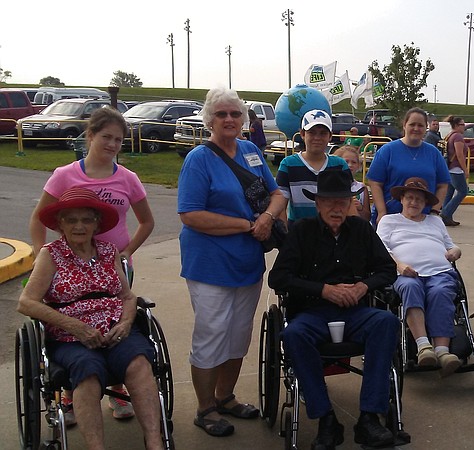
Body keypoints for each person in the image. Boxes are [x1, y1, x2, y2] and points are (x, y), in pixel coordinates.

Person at [28, 106, 155, 423]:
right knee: (74, 318)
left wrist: (126, 252)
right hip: (70, 262)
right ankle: (71, 394)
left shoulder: (127, 178)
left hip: (111, 263)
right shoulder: (65, 175)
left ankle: (118, 391)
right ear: (90, 135)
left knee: (111, 320)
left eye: (118, 139)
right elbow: (38, 217)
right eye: (106, 137)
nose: (112, 144)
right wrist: (38, 252)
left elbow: (146, 222)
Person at [18, 187, 164, 450]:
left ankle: (155, 444)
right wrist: (77, 327)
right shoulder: (51, 255)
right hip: (70, 337)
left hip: (115, 330)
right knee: (87, 371)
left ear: (97, 224)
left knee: (139, 363)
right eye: (71, 219)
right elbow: (26, 302)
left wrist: (125, 324)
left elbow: (128, 297)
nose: (79, 226)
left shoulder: (109, 252)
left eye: (86, 219)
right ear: (60, 224)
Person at [177, 87, 285, 437]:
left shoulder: (252, 151)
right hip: (210, 264)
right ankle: (205, 408)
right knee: (211, 334)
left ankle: (226, 397)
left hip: (248, 261)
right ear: (209, 119)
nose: (228, 120)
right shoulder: (199, 159)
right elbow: (190, 214)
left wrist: (267, 217)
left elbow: (278, 193)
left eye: (235, 114)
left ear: (243, 119)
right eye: (221, 114)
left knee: (239, 335)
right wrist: (245, 225)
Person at [268, 169, 400, 449]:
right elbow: (278, 278)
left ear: (351, 203)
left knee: (386, 322)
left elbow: (387, 269)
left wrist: (363, 287)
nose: (336, 207)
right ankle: (326, 420)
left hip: (355, 313)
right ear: (317, 204)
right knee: (293, 336)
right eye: (329, 201)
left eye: (343, 201)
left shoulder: (362, 230)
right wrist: (323, 290)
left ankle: (369, 418)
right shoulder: (301, 232)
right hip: (312, 312)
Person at [376, 177, 463, 377]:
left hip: (439, 271)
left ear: (425, 203)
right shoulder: (389, 221)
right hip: (405, 272)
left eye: (419, 199)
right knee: (410, 287)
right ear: (402, 200)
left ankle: (442, 351)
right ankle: (424, 346)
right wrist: (399, 265)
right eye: (410, 198)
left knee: (441, 291)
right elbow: (382, 249)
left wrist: (455, 251)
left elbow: (451, 245)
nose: (414, 202)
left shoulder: (435, 221)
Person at [367, 107, 450, 225]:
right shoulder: (388, 150)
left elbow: (443, 184)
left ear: (426, 128)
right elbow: (375, 183)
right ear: (404, 125)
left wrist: (434, 211)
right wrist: (382, 212)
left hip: (423, 219)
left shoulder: (433, 153)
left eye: (420, 125)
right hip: (391, 217)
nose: (416, 128)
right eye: (412, 124)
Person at [276, 109, 349, 224]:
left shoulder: (340, 165)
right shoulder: (288, 165)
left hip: (332, 231)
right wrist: (286, 235)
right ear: (302, 134)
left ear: (330, 136)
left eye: (323, 133)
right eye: (312, 132)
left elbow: (348, 203)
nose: (317, 137)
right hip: (299, 232)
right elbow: (280, 203)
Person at [440, 115, 468, 227]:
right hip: (456, 168)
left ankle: (447, 218)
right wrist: (465, 170)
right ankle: (446, 213)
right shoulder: (457, 137)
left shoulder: (449, 135)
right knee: (463, 191)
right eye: (462, 125)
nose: (464, 127)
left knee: (449, 193)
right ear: (456, 125)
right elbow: (459, 155)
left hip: (449, 167)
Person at [333, 145, 371, 221]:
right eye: (346, 161)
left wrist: (360, 208)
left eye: (354, 162)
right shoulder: (330, 185)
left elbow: (367, 217)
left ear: (358, 165)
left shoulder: (361, 188)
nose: (350, 165)